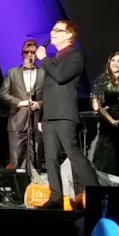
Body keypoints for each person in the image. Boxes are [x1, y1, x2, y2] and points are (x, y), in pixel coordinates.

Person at [35, 20, 97, 208]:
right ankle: (55, 199)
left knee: (73, 154)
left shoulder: (74, 55)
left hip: (64, 114)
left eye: (57, 30)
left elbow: (61, 77)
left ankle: (96, 193)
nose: (52, 33)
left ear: (69, 35)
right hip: (49, 115)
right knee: (51, 157)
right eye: (52, 29)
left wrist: (44, 59)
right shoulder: (54, 58)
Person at [0, 39, 44, 177]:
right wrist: (19, 102)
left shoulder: (44, 73)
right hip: (17, 121)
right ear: (22, 54)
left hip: (37, 121)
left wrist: (40, 104)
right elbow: (3, 93)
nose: (29, 54)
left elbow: (51, 95)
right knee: (17, 159)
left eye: (33, 52)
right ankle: (18, 192)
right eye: (26, 52)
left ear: (37, 55)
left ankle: (35, 191)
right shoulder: (12, 73)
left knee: (36, 159)